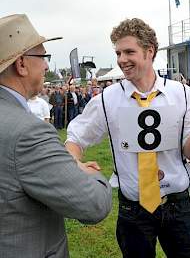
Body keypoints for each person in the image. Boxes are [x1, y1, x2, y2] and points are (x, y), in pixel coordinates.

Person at [66, 18, 190, 258]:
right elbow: (75, 137)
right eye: (118, 53)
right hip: (133, 209)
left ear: (149, 52)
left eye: (129, 52)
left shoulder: (182, 94)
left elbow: (189, 153)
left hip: (178, 204)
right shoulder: (107, 99)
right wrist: (76, 163)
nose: (122, 59)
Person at [0, 14, 112, 258]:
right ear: (21, 64)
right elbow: (93, 205)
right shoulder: (28, 132)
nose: (47, 66)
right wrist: (88, 173)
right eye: (43, 57)